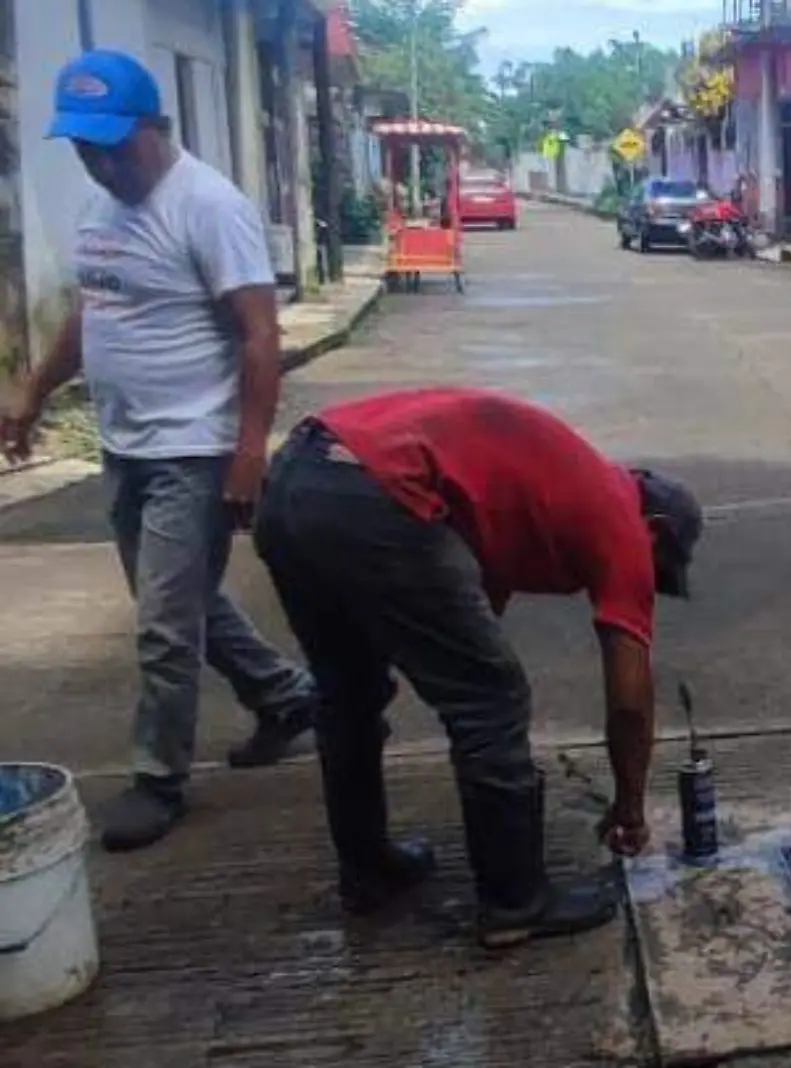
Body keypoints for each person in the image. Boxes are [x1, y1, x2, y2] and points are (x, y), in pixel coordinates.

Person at [1, 51, 318, 851]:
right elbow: (90, 313)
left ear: (154, 127)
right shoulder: (98, 209)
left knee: (163, 627)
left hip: (193, 446)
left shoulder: (208, 207)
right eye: (83, 148)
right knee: (176, 599)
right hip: (125, 443)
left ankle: (159, 778)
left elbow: (259, 334)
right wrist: (34, 396)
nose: (99, 162)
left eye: (111, 145)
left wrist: (250, 450)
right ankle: (285, 697)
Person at [252, 388, 702, 948]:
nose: (646, 582)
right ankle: (515, 902)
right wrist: (630, 804)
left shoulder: (550, 486)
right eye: (657, 571)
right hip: (373, 493)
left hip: (295, 479)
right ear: (654, 527)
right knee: (494, 699)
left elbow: (472, 612)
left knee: (349, 693)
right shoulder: (623, 519)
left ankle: (368, 872)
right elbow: (631, 701)